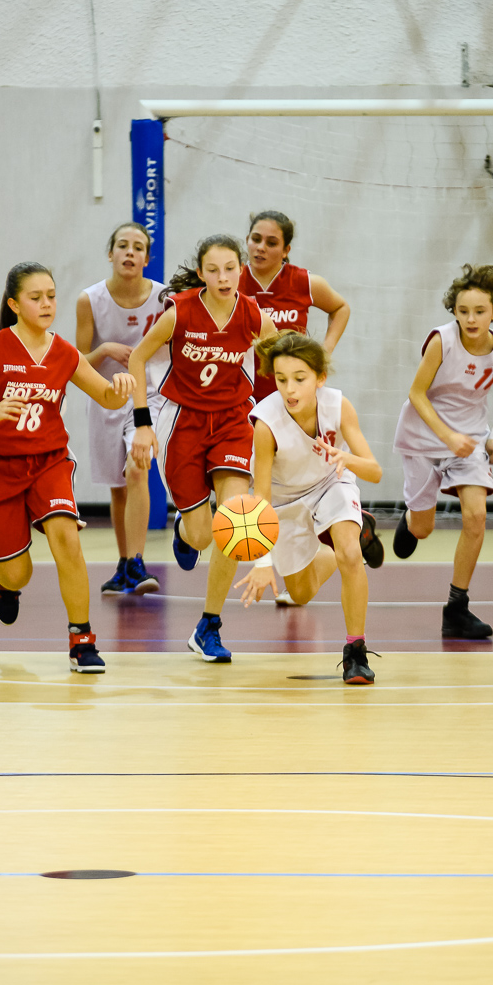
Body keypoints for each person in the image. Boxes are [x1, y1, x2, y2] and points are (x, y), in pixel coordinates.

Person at [0, 262, 135, 673]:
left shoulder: (64, 352)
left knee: (67, 538)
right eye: (35, 297)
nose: (47, 304)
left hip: (48, 461)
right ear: (14, 304)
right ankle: (5, 585)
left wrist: (120, 389)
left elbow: (106, 396)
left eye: (51, 296)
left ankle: (82, 640)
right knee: (19, 573)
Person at [128, 235, 277, 664]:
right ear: (201, 273)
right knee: (201, 537)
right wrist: (142, 424)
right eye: (213, 270)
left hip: (232, 420)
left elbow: (280, 361)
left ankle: (208, 625)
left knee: (235, 519)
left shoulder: (254, 315)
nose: (223, 277)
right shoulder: (180, 312)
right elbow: (137, 358)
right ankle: (184, 531)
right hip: (184, 422)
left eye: (230, 268)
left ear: (241, 270)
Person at [235, 331, 383, 684]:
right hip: (285, 502)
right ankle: (347, 539)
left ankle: (356, 651)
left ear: (320, 378)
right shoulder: (266, 423)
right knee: (300, 593)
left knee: (349, 554)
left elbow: (374, 471)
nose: (290, 389)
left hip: (331, 483)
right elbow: (262, 498)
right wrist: (262, 562)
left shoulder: (338, 406)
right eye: (282, 379)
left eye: (299, 379)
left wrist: (346, 457)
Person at [392, 264, 493, 640]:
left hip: (469, 441)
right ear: (454, 311)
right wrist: (447, 436)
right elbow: (416, 393)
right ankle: (411, 519)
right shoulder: (442, 341)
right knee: (423, 529)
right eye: (463, 311)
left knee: (476, 516)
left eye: (479, 311)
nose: (471, 319)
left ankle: (456, 608)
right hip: (424, 435)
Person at [239, 210, 353, 606]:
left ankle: (334, 533)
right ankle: (193, 528)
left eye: (271, 242)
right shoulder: (232, 282)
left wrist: (324, 352)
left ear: (286, 249)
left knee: (282, 482)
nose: (260, 247)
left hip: (294, 403)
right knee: (244, 482)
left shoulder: (305, 282)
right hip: (248, 400)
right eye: (255, 239)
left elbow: (341, 308)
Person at [76, 222, 167, 596]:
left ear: (146, 258)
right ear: (110, 253)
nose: (130, 252)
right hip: (105, 397)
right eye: (123, 245)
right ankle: (124, 562)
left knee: (137, 468)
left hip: (148, 398)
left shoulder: (164, 298)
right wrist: (105, 350)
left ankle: (137, 561)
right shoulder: (89, 300)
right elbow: (78, 363)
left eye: (138, 247)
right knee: (118, 487)